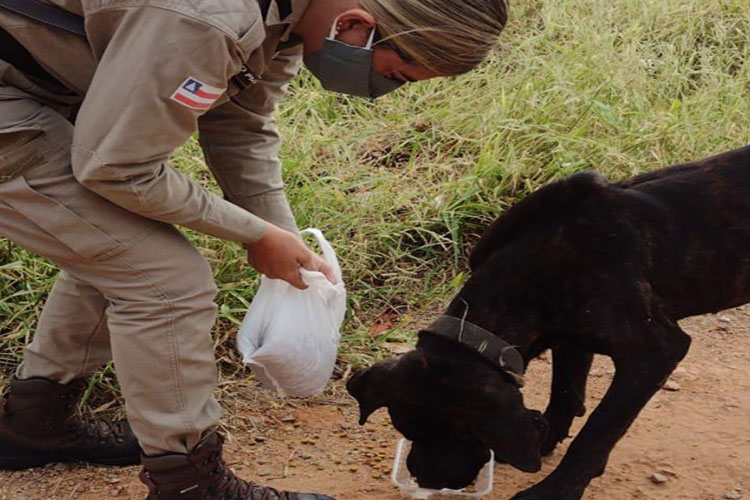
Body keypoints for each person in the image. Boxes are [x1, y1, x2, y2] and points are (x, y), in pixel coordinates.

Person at [0, 0, 508, 498]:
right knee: (166, 281)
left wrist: (285, 242)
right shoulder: (208, 18)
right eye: (396, 75)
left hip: (38, 96)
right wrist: (257, 235)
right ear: (356, 24)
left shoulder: (294, 18)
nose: (384, 91)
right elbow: (117, 168)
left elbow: (238, 126)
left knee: (122, 247)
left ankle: (33, 421)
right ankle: (190, 484)